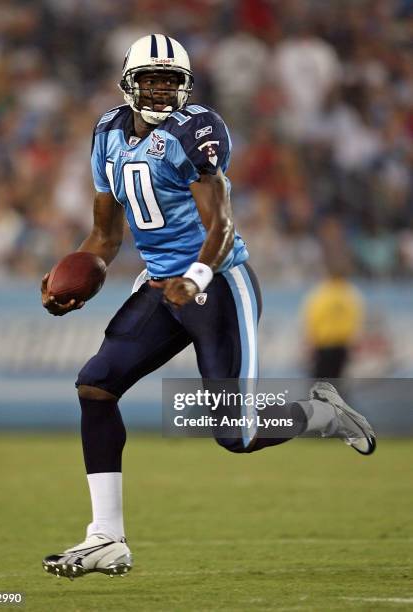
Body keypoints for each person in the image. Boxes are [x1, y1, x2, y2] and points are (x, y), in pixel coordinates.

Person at [40, 34, 376, 581]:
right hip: (159, 284)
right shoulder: (107, 132)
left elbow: (222, 226)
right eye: (150, 78)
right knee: (95, 386)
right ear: (128, 81)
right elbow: (104, 236)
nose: (160, 88)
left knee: (233, 435)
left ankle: (321, 412)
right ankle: (106, 537)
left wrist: (195, 277)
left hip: (217, 281)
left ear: (186, 85)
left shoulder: (196, 130)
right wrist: (68, 280)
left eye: (170, 80)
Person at [302, 257, 365, 378]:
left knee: (320, 380)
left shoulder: (320, 294)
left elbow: (312, 319)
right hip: (342, 345)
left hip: (323, 345)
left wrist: (310, 341)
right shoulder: (350, 294)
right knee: (338, 380)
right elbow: (356, 320)